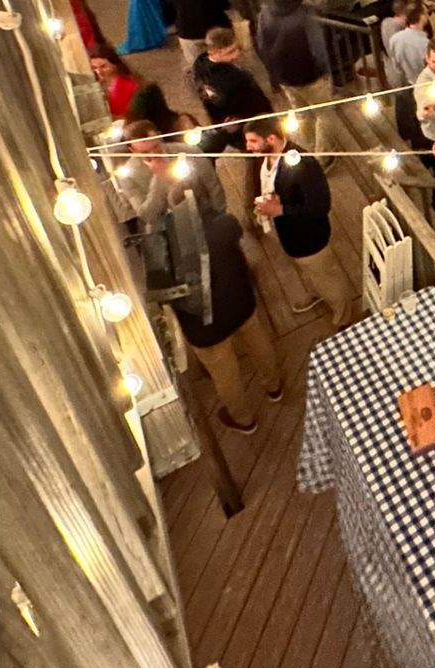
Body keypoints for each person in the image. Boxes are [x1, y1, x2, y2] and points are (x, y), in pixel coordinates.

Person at [175, 209, 285, 435]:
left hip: (207, 327)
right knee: (258, 342)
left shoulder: (166, 247)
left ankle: (245, 419)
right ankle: (274, 386)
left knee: (225, 375)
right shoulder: (224, 224)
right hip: (239, 303)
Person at [244, 127, 358, 326]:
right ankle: (319, 291)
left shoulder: (304, 165)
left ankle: (344, 317)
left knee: (327, 277)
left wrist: (281, 209)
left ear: (271, 138)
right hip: (290, 234)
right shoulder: (266, 157)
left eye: (253, 141)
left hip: (310, 237)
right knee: (314, 274)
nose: (248, 147)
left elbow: (320, 206)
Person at [255, 0, 333, 147]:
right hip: (309, 74)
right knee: (324, 114)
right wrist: (325, 71)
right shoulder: (305, 12)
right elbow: (317, 48)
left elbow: (261, 45)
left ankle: (308, 146)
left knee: (301, 113)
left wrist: (274, 72)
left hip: (284, 75)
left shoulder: (264, 12)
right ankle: (323, 156)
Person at [112, 120, 225, 222]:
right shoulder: (129, 175)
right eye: (145, 152)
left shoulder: (187, 151)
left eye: (156, 146)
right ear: (133, 151)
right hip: (170, 232)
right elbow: (147, 216)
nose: (154, 154)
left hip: (207, 216)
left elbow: (213, 186)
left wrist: (220, 217)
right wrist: (159, 177)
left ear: (160, 137)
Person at [192, 25, 274, 149]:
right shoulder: (234, 79)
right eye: (230, 51)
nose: (236, 54)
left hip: (224, 124)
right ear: (215, 51)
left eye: (237, 49)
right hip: (247, 126)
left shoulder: (199, 65)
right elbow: (254, 103)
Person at [90, 46, 171, 129]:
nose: (99, 72)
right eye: (94, 68)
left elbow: (130, 115)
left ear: (115, 65)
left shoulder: (128, 84)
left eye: (103, 67)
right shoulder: (95, 85)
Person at [385, 1, 431, 89]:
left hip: (407, 83)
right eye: (426, 13)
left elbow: (397, 66)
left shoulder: (395, 39)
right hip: (426, 86)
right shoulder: (425, 43)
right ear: (422, 17)